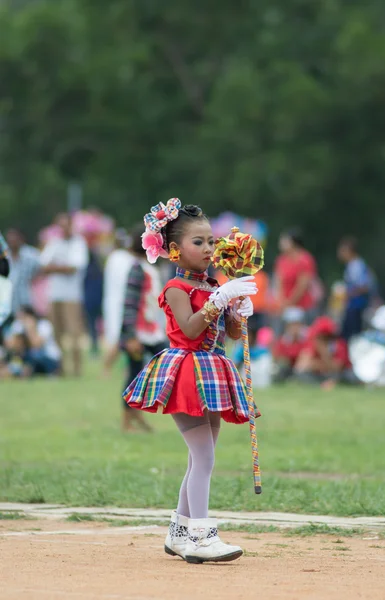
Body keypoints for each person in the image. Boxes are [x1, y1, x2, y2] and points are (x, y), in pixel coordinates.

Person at [123, 198, 258, 564]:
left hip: (213, 372)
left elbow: (227, 333)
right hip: (185, 374)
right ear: (173, 250)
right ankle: (200, 534)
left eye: (211, 241)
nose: (209, 248)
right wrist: (219, 299)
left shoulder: (211, 284)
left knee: (201, 457)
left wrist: (237, 309)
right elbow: (190, 328)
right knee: (204, 457)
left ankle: (180, 532)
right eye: (198, 242)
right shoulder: (176, 289)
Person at [120, 224, 167, 433]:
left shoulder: (150, 269)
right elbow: (129, 303)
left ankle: (135, 413)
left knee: (162, 363)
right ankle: (128, 418)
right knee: (134, 374)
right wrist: (130, 336)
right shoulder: (137, 269)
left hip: (151, 329)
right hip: (138, 332)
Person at [40, 213, 89, 376]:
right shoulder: (54, 243)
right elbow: (43, 266)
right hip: (54, 295)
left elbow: (74, 268)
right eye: (60, 225)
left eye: (66, 225)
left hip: (72, 297)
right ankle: (60, 368)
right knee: (56, 334)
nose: (63, 228)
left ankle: (77, 369)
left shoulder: (79, 243)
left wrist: (55, 267)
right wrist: (62, 268)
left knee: (74, 334)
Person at [102, 229, 134, 375]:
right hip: (121, 303)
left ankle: (124, 369)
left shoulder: (113, 258)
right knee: (119, 338)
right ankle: (106, 369)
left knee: (122, 338)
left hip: (113, 302)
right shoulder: (123, 258)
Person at [294, 316, 357, 388]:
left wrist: (323, 353)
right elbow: (300, 367)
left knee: (345, 376)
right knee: (302, 375)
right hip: (321, 375)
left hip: (339, 374)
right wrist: (320, 365)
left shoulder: (339, 345)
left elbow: (336, 368)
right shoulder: (312, 343)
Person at [274, 228, 319, 326]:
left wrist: (289, 303)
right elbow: (278, 282)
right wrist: (281, 302)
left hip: (303, 306)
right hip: (284, 307)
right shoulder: (281, 260)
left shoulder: (305, 259)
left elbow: (302, 286)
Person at [5, 306, 61, 376]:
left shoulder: (44, 325)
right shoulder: (19, 324)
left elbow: (36, 345)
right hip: (28, 358)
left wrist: (30, 329)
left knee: (33, 357)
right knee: (16, 358)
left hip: (49, 359)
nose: (21, 320)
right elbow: (10, 345)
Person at [337, 236, 373, 341]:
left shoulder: (356, 266)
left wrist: (347, 294)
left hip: (356, 307)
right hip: (352, 306)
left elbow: (364, 287)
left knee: (353, 337)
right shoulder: (352, 265)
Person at [6, 228, 40, 315]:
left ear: (21, 239)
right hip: (7, 301)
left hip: (27, 299)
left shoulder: (32, 255)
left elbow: (40, 272)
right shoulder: (5, 257)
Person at [272, 307, 308, 382]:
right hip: (287, 369)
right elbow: (277, 358)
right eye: (291, 325)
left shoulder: (307, 338)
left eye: (296, 324)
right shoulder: (283, 340)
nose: (294, 328)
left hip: (302, 369)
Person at [83, 250, 103, 356]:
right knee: (98, 325)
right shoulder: (99, 271)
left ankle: (94, 346)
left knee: (91, 326)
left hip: (89, 302)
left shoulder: (86, 271)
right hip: (98, 301)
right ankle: (97, 345)